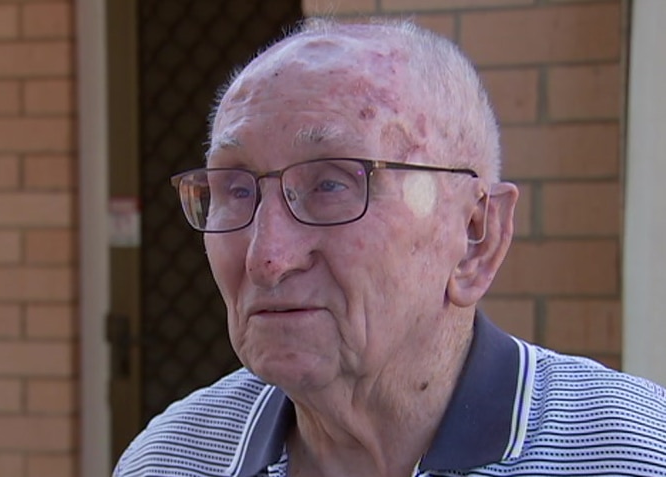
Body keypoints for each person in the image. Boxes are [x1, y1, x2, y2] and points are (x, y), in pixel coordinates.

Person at [114, 18, 666, 477]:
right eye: (235, 190)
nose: (267, 257)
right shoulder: (172, 458)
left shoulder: (633, 455)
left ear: (476, 235)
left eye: (332, 184)